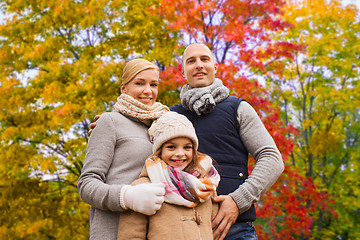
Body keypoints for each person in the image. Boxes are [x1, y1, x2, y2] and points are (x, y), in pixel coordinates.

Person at [89, 43, 284, 240]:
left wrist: (238, 200)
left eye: (204, 59)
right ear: (183, 72)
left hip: (235, 227)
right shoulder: (166, 116)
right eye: (191, 61)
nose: (198, 65)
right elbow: (133, 123)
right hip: (181, 229)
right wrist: (107, 123)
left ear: (215, 68)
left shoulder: (238, 108)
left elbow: (272, 158)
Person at [78, 59, 170, 240]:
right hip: (113, 232)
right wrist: (126, 196)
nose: (148, 90)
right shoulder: (109, 122)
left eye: (154, 84)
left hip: (157, 231)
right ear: (123, 88)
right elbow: (87, 184)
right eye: (139, 83)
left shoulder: (165, 127)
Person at [118, 111, 220, 240]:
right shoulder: (142, 188)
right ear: (160, 151)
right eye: (171, 147)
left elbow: (215, 230)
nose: (180, 153)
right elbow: (131, 236)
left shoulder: (206, 186)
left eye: (187, 147)